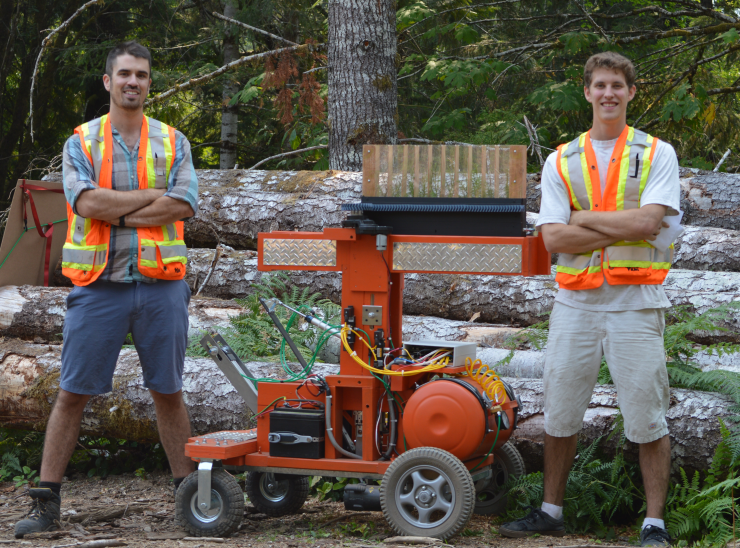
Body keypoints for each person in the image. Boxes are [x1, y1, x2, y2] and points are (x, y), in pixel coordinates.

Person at [15, 41, 199, 539]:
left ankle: (191, 502)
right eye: (124, 74)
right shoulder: (81, 142)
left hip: (161, 287)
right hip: (98, 289)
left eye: (141, 74)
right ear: (108, 81)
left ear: (149, 82)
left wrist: (114, 209)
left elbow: (183, 203)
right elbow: (84, 201)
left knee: (169, 392)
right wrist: (146, 203)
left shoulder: (171, 140)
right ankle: (46, 502)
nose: (133, 82)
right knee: (72, 394)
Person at [498, 52, 678, 547]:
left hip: (636, 301)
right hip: (575, 302)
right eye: (600, 85)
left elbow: (647, 224)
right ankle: (551, 510)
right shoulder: (562, 158)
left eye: (617, 85)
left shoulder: (656, 152)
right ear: (587, 92)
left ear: (631, 92)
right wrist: (602, 226)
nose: (608, 94)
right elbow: (553, 242)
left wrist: (580, 220)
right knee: (560, 408)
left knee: (646, 413)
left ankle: (654, 525)